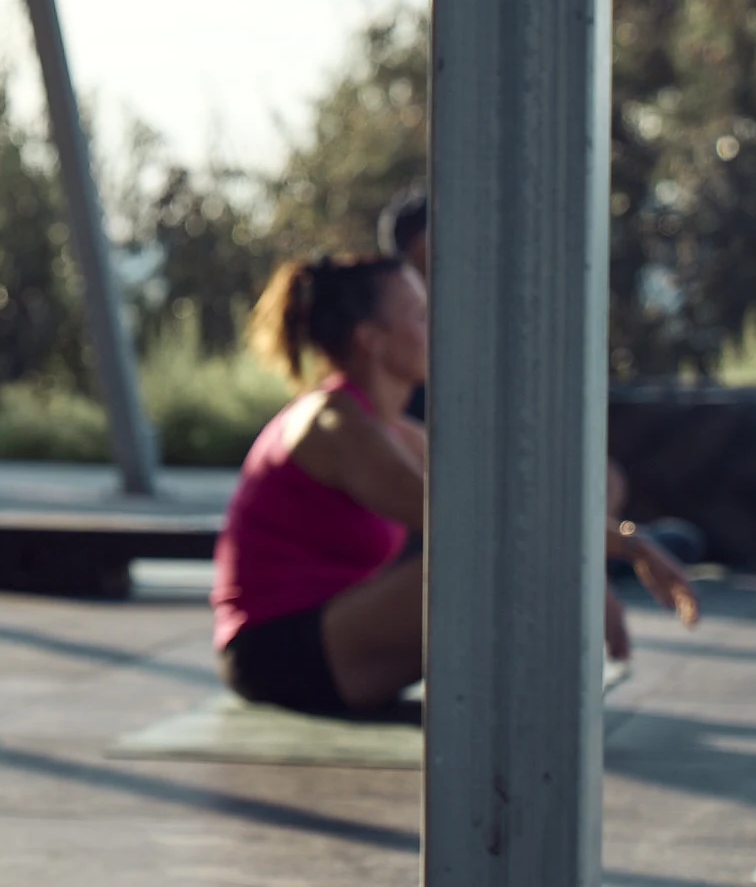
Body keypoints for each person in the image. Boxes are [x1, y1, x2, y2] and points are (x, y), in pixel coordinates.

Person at [211, 253, 699, 716]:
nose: (436, 329)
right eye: (421, 315)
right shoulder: (333, 424)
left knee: (568, 505)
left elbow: (510, 490)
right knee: (489, 557)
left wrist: (609, 541)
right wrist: (617, 554)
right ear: (371, 340)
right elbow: (472, 525)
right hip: (274, 653)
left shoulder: (390, 430)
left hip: (334, 636)